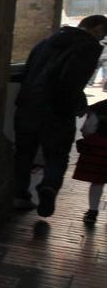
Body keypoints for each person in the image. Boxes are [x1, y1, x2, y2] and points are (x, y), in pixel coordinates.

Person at [12, 14, 107, 216]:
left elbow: (28, 71)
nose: (102, 39)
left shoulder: (47, 41)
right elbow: (71, 82)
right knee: (57, 155)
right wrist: (79, 104)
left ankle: (19, 195)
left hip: (28, 106)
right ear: (97, 28)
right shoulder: (87, 46)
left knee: (23, 153)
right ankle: (49, 186)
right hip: (57, 112)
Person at [73, 99, 107, 226]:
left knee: (97, 181)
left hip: (101, 149)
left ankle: (92, 212)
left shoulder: (100, 107)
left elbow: (88, 128)